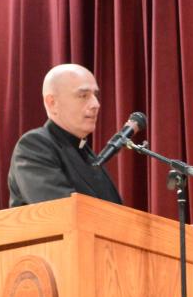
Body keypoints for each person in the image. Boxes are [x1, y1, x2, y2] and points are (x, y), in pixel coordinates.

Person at [7, 63, 123, 207]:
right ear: (52, 103)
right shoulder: (34, 146)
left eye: (95, 95)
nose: (96, 104)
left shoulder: (86, 152)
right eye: (83, 95)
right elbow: (61, 211)